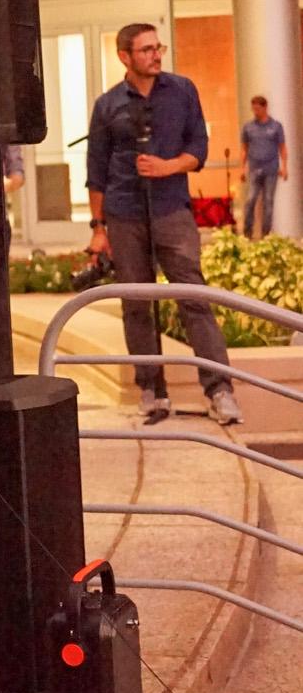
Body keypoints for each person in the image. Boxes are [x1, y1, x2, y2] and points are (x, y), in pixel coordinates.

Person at [86, 23, 240, 428]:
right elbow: (96, 171)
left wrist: (167, 167)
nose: (156, 55)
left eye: (159, 47)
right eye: (147, 49)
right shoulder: (108, 105)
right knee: (137, 304)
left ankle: (220, 391)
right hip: (124, 214)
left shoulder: (182, 90)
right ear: (125, 56)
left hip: (172, 210)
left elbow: (198, 148)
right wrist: (98, 229)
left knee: (194, 298)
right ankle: (152, 390)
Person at [241, 94, 288, 238]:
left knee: (268, 201)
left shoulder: (276, 126)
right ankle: (247, 232)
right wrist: (242, 168)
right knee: (250, 200)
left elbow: (282, 147)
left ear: (265, 108)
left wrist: (284, 167)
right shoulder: (248, 127)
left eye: (258, 109)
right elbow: (244, 149)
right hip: (254, 169)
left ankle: (265, 234)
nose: (255, 112)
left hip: (271, 169)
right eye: (253, 109)